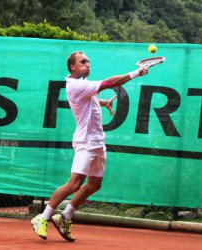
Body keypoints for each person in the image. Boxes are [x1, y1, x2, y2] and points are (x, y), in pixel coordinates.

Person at [31, 51, 149, 242]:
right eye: (83, 62)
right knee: (74, 183)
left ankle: (65, 216)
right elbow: (110, 83)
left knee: (94, 184)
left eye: (88, 62)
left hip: (98, 142)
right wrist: (136, 73)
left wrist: (104, 103)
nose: (88, 64)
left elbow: (90, 99)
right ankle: (42, 217)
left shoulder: (83, 86)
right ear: (73, 67)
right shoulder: (77, 85)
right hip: (85, 143)